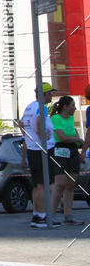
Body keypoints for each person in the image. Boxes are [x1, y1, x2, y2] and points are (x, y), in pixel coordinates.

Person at [19, 83, 59, 228]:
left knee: (37, 185)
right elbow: (38, 122)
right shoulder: (41, 107)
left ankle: (37, 214)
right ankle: (42, 216)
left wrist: (29, 137)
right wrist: (42, 136)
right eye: (50, 94)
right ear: (45, 94)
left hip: (32, 148)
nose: (52, 96)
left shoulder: (29, 106)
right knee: (43, 184)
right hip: (43, 149)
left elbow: (21, 123)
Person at [50, 95, 83, 225]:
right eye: (72, 105)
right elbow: (61, 136)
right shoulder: (55, 118)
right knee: (60, 184)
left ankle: (68, 215)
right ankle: (51, 215)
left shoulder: (70, 119)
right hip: (61, 150)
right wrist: (78, 140)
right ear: (65, 106)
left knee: (70, 185)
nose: (74, 108)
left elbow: (74, 133)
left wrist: (78, 141)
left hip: (73, 151)